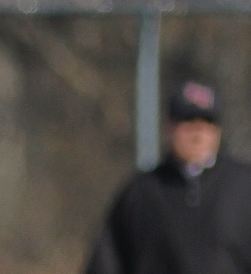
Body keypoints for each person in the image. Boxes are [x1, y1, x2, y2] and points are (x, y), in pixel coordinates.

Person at [83, 79, 251, 274]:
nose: (198, 134)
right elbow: (107, 262)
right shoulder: (142, 192)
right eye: (188, 122)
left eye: (206, 123)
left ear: (218, 130)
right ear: (169, 127)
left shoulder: (243, 186)